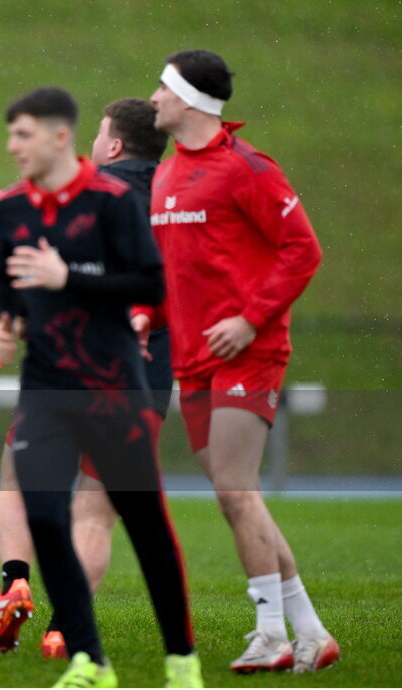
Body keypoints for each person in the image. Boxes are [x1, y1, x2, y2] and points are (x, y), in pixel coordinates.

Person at [0, 86, 201, 688]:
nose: (12, 146)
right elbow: (7, 291)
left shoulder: (113, 200)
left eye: (23, 135)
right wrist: (6, 327)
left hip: (115, 388)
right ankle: (88, 659)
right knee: (47, 516)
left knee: (145, 522)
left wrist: (67, 274)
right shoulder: (9, 210)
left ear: (60, 137)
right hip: (48, 390)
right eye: (10, 135)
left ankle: (181, 660)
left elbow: (151, 286)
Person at [149, 49, 337, 674]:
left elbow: (302, 250)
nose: (153, 99)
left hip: (248, 354)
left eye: (162, 87)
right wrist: (146, 317)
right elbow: (169, 274)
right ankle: (310, 632)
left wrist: (251, 317)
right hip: (193, 361)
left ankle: (270, 633)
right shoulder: (167, 176)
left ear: (190, 99)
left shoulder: (247, 169)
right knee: (239, 495)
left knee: (235, 489)